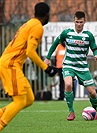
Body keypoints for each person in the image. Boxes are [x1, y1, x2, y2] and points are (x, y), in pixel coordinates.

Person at [0, 2, 57, 131]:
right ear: (47, 15)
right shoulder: (37, 27)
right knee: (20, 101)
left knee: (29, 99)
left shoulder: (29, 23)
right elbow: (30, 52)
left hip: (11, 63)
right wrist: (46, 68)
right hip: (11, 64)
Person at [44, 11, 97, 121]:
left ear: (84, 22)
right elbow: (55, 43)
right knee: (68, 84)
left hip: (83, 67)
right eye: (77, 22)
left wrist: (96, 55)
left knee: (93, 93)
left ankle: (95, 111)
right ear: (73, 21)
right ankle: (71, 111)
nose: (79, 24)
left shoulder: (88, 35)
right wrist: (47, 58)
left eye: (81, 22)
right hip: (68, 65)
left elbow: (94, 48)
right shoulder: (67, 33)